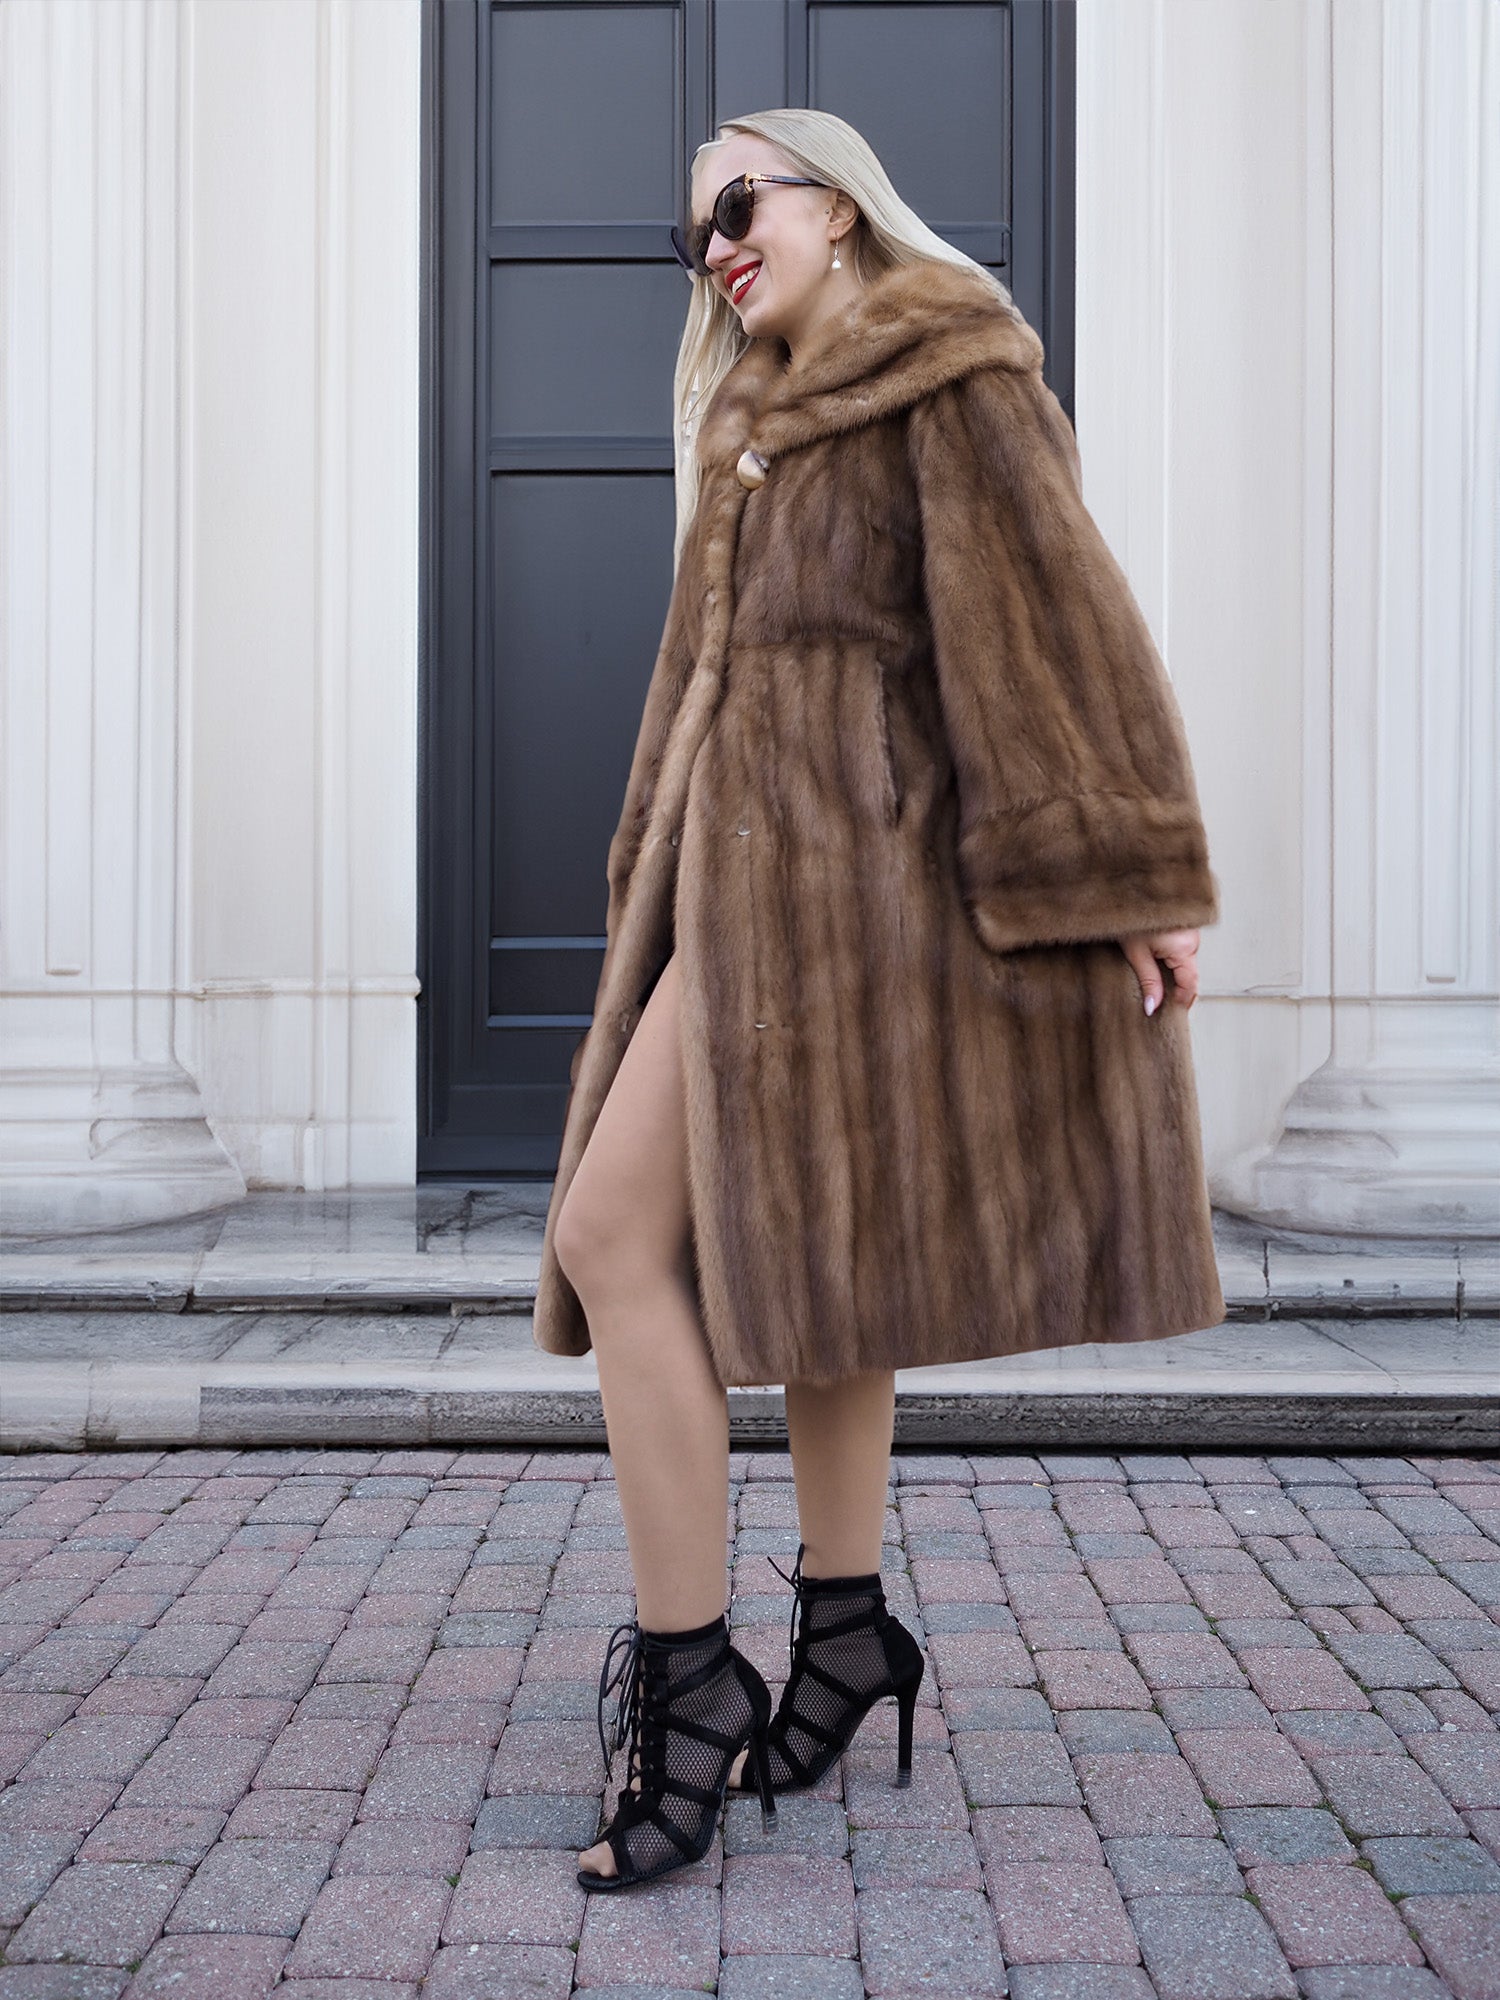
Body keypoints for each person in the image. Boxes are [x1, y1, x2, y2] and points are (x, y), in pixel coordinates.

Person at [540, 107, 1224, 1892]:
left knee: (613, 1239)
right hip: (742, 914)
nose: (715, 249)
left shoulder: (953, 380)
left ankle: (692, 1688)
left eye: (737, 207)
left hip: (873, 913)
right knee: (802, 1271)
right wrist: (652, 883)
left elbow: (1059, 634)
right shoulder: (751, 425)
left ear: (836, 205)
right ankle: (843, 1635)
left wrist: (1135, 879)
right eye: (691, 234)